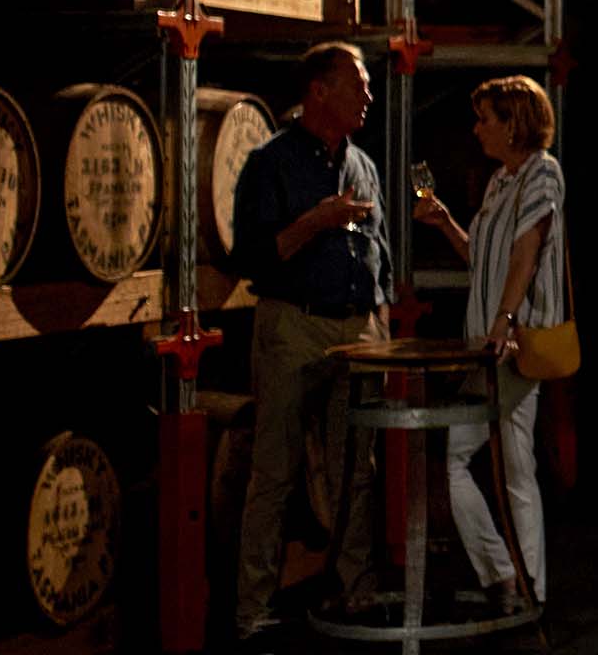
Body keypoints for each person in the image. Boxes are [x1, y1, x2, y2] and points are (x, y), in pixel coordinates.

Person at [228, 41, 392, 644]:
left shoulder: (363, 164)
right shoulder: (271, 163)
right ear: (318, 91)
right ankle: (253, 610)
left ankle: (357, 590)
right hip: (294, 325)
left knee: (358, 470)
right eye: (358, 85)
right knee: (274, 472)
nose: (369, 96)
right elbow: (250, 257)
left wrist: (381, 313)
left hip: (358, 327)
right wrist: (316, 221)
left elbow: (380, 248)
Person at [413, 75, 564, 615]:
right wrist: (445, 222)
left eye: (486, 119)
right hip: (487, 343)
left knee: (508, 463)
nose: (477, 129)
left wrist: (503, 320)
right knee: (472, 460)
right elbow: (485, 257)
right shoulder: (502, 180)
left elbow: (526, 251)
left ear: (513, 123)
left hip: (512, 343)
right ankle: (510, 577)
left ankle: (524, 585)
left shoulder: (542, 174)